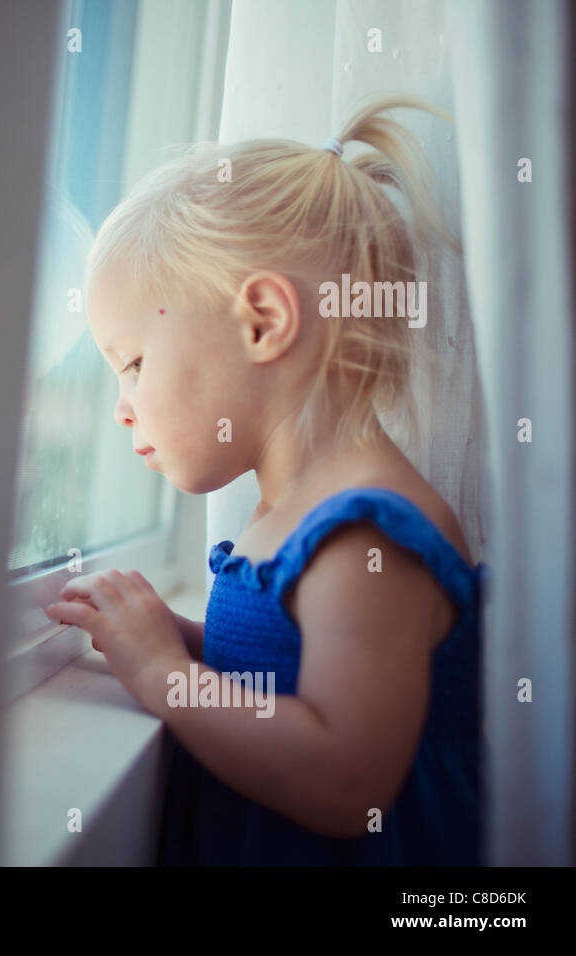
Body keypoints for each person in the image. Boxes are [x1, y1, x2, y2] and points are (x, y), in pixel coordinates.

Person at [45, 96, 485, 864]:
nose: (121, 409)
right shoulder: (293, 514)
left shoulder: (365, 535)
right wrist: (177, 639)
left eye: (135, 364)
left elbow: (345, 782)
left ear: (262, 323)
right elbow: (285, 670)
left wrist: (163, 674)